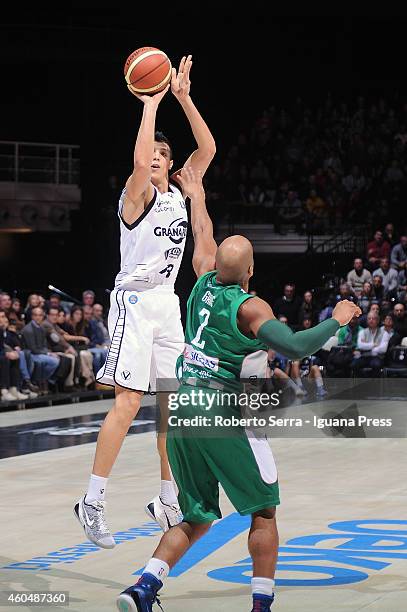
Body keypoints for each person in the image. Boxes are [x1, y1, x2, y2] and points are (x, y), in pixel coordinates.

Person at [116, 168, 360, 612]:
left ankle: (142, 588)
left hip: (182, 406)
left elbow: (203, 234)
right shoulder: (250, 306)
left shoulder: (203, 281)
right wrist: (339, 317)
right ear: (251, 269)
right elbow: (294, 345)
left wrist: (197, 196)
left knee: (195, 517)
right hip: (223, 409)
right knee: (264, 512)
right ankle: (261, 606)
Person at [74, 55, 216, 549]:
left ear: (172, 164)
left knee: (172, 407)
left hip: (166, 305)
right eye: (150, 151)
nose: (155, 157)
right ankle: (92, 500)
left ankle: (166, 496)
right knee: (128, 403)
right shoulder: (134, 196)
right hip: (133, 304)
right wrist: (151, 103)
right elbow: (138, 161)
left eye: (162, 153)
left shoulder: (181, 193)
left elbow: (208, 146)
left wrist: (182, 97)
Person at [21, 307, 60, 395]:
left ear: (43, 316)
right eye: (35, 315)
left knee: (56, 359)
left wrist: (49, 352)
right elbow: (33, 349)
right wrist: (48, 353)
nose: (38, 317)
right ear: (32, 316)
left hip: (39, 353)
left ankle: (42, 380)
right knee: (54, 361)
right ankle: (41, 380)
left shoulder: (41, 328)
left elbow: (43, 345)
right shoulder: (28, 330)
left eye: (40, 315)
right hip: (30, 354)